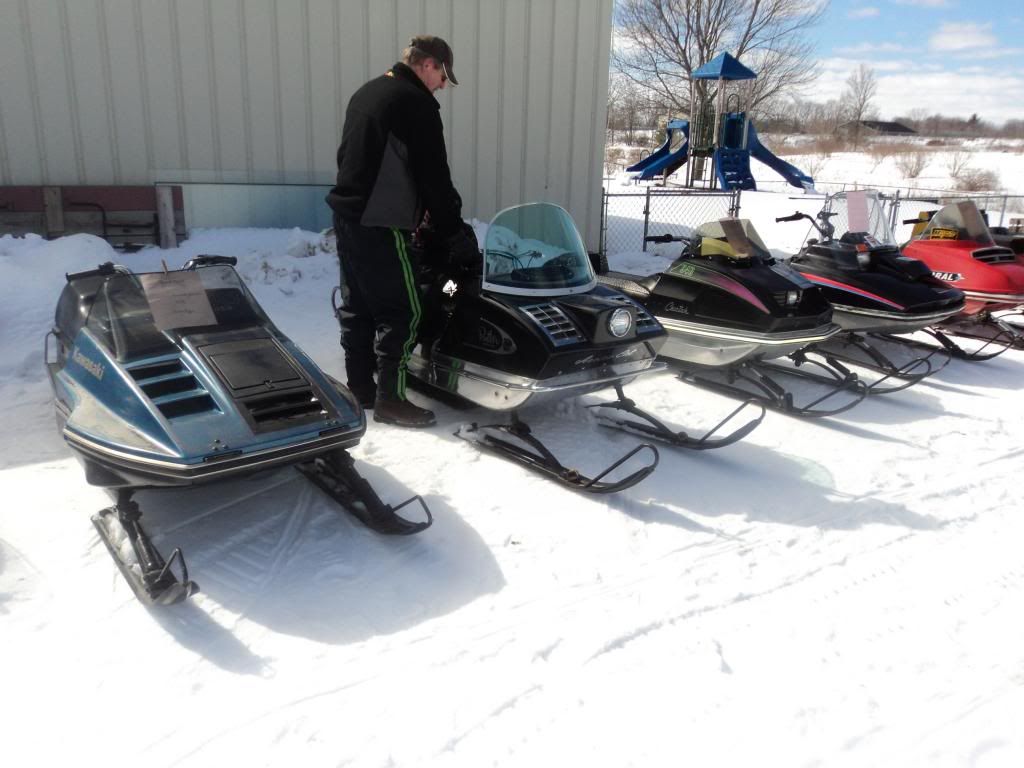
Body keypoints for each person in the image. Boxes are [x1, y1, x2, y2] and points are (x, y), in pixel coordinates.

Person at [326, 35, 478, 428]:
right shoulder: (414, 104)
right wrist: (453, 231)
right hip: (382, 222)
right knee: (405, 310)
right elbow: (433, 176)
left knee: (358, 304)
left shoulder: (368, 93)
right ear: (428, 64)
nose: (443, 84)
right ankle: (392, 399)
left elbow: (350, 158)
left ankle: (360, 386)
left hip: (348, 217)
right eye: (444, 75)